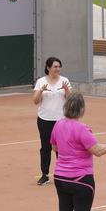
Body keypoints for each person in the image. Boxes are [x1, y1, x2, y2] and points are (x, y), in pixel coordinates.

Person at [34, 56, 71, 186]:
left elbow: (70, 100)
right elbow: (35, 101)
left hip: (61, 121)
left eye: (59, 66)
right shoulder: (41, 82)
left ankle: (62, 173)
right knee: (45, 147)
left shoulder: (64, 80)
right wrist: (41, 91)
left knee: (61, 148)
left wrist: (66, 90)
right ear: (48, 67)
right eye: (55, 66)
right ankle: (45, 175)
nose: (57, 69)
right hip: (44, 119)